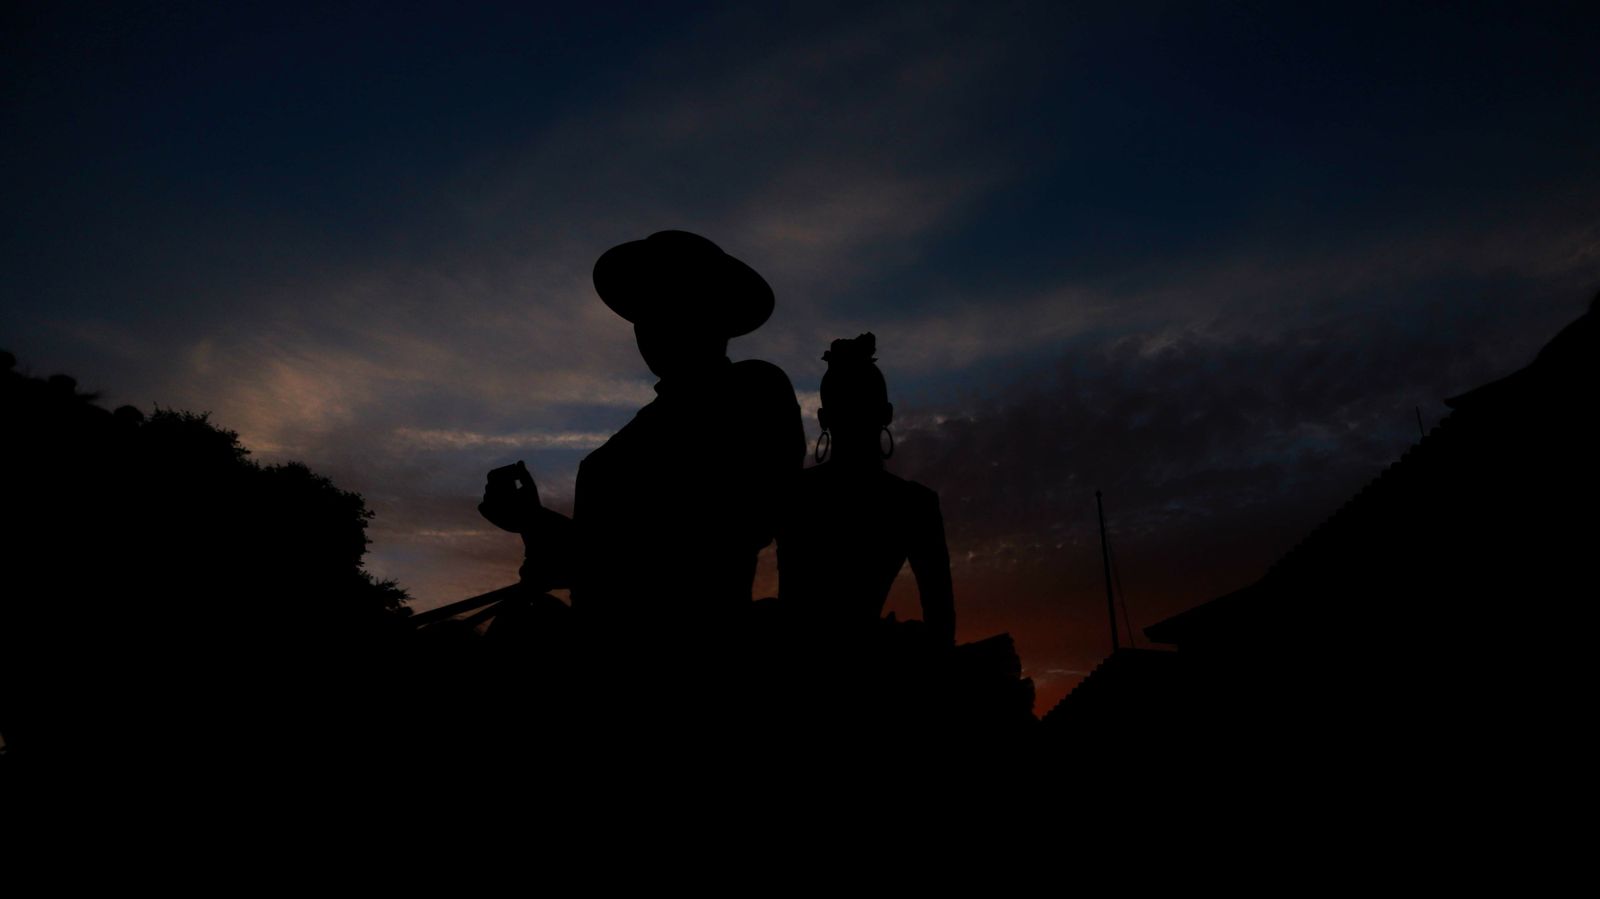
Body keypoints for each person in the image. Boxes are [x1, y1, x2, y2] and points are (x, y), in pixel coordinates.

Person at [480, 231, 804, 647]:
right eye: (642, 311)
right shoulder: (623, 444)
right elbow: (601, 558)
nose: (648, 325)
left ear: (713, 314)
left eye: (668, 303)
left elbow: (721, 528)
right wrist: (532, 520)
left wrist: (543, 530)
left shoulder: (753, 388)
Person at [776, 333, 955, 646]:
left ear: (823, 419)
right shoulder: (916, 505)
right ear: (887, 413)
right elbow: (941, 628)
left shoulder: (792, 493)